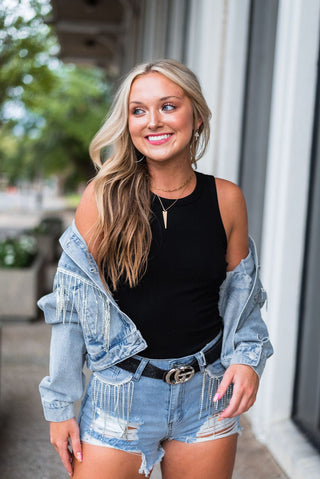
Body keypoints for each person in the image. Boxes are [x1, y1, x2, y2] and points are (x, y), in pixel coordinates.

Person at [38, 59, 273, 479]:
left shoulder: (227, 199)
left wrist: (248, 359)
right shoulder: (103, 198)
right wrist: (60, 406)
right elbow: (70, 307)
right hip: (120, 397)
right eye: (138, 110)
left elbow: (245, 298)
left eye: (168, 106)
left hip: (207, 393)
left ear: (195, 116)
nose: (153, 122)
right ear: (127, 122)